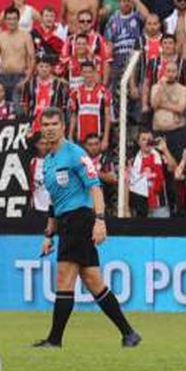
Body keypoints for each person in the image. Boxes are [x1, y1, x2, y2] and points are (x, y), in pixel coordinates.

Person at [32, 107, 140, 348]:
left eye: (54, 124)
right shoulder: (47, 163)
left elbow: (95, 186)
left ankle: (54, 340)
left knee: (64, 278)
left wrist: (100, 220)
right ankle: (129, 334)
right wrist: (49, 234)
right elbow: (54, 200)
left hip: (80, 219)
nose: (49, 129)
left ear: (62, 126)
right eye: (45, 125)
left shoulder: (75, 154)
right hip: (66, 222)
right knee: (93, 281)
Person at [0, 7, 36, 115]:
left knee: (18, 109)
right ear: (5, 20)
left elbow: (32, 58)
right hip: (2, 77)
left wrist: (27, 79)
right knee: (1, 110)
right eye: (9, 19)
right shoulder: (0, 37)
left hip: (19, 77)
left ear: (18, 19)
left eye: (14, 19)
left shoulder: (26, 36)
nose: (11, 21)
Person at [151, 60, 186, 165]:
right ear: (164, 72)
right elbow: (154, 104)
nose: (170, 74)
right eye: (168, 71)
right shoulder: (156, 87)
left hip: (176, 132)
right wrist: (161, 87)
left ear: (177, 73)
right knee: (158, 163)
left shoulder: (183, 89)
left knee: (177, 164)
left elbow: (181, 109)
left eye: (173, 71)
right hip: (159, 132)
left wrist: (162, 105)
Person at [127, 130, 172, 218]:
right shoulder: (132, 160)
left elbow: (173, 168)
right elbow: (127, 183)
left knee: (164, 231)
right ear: (138, 142)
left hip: (159, 206)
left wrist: (165, 150)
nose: (147, 142)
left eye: (149, 139)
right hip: (140, 205)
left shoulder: (160, 156)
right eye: (144, 139)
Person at [69, 60, 111, 151]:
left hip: (97, 138)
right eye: (84, 72)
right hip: (81, 138)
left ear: (94, 72)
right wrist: (70, 135)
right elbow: (73, 116)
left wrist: (105, 138)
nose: (87, 75)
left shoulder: (103, 92)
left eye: (90, 72)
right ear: (81, 73)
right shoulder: (75, 92)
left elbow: (107, 116)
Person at [23, 56, 70, 131]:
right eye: (41, 66)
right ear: (36, 67)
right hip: (34, 123)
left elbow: (63, 106)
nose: (44, 69)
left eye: (46, 66)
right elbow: (26, 104)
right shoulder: (30, 84)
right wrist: (27, 121)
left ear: (51, 68)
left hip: (53, 123)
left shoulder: (59, 84)